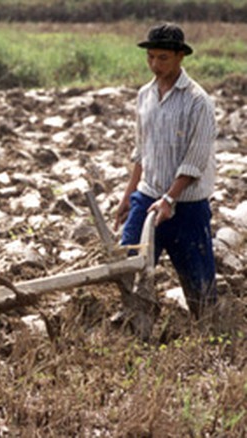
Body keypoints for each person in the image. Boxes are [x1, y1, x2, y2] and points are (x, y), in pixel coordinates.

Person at [114, 23, 217, 321]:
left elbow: (195, 161)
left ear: (180, 57)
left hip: (186, 207)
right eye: (151, 58)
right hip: (147, 198)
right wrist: (128, 196)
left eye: (163, 58)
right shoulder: (144, 95)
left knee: (201, 291)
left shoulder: (198, 101)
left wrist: (170, 199)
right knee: (129, 269)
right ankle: (134, 325)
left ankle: (208, 334)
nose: (155, 65)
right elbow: (141, 152)